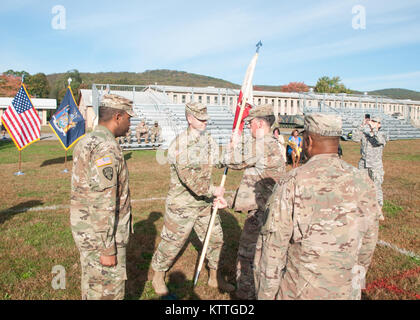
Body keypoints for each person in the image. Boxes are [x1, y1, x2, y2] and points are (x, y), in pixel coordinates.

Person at [254, 113, 381, 300]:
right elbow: (367, 244)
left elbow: (273, 249)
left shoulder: (292, 182)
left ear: (309, 140)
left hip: (299, 292)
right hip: (346, 292)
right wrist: (356, 287)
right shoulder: (364, 181)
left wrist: (265, 295)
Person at [151, 102, 235, 295]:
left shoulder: (208, 140)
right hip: (182, 205)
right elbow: (191, 181)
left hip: (204, 205)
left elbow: (219, 161)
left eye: (206, 118)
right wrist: (214, 190)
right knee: (173, 242)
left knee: (215, 239)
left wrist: (230, 149)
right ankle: (158, 275)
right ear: (190, 119)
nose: (205, 121)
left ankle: (215, 277)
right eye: (200, 118)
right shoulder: (180, 145)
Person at [70, 94, 134, 300]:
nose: (130, 123)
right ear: (117, 117)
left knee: (92, 288)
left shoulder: (87, 141)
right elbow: (104, 201)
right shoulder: (107, 147)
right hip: (102, 238)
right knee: (107, 292)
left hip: (87, 231)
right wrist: (107, 248)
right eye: (128, 118)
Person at [222, 104, 286, 300]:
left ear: (259, 123)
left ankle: (245, 295)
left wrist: (230, 146)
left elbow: (231, 161)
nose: (248, 127)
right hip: (272, 209)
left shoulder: (261, 145)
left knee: (247, 256)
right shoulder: (273, 143)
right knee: (267, 255)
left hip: (260, 212)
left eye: (250, 124)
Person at [351, 115, 387, 213]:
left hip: (375, 165)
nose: (372, 122)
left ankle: (379, 210)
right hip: (363, 163)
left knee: (376, 187)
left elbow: (380, 141)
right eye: (372, 121)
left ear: (379, 124)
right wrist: (362, 125)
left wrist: (374, 129)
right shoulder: (365, 134)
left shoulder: (382, 134)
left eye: (375, 121)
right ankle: (363, 208)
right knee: (361, 186)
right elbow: (354, 138)